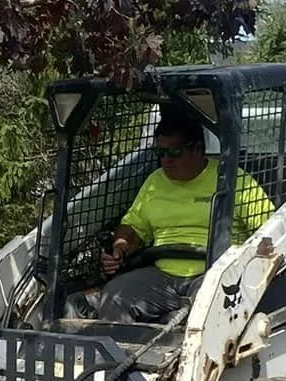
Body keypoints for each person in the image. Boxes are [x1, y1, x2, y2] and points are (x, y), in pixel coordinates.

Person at [93, 105, 275, 322]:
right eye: (160, 153)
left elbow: (269, 229)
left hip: (214, 274)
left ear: (198, 148)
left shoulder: (233, 180)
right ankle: (117, 356)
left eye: (174, 152)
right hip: (162, 276)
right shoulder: (154, 182)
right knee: (113, 295)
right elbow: (133, 226)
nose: (166, 160)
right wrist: (120, 247)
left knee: (210, 311)